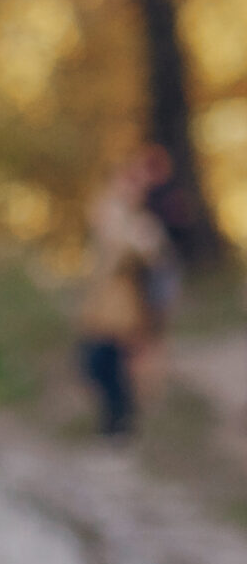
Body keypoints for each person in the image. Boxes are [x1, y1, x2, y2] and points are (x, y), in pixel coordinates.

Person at [80, 149, 180, 438]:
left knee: (111, 368)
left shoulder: (143, 224)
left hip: (127, 311)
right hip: (102, 308)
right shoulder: (111, 212)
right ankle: (115, 429)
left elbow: (156, 262)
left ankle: (118, 431)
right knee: (96, 366)